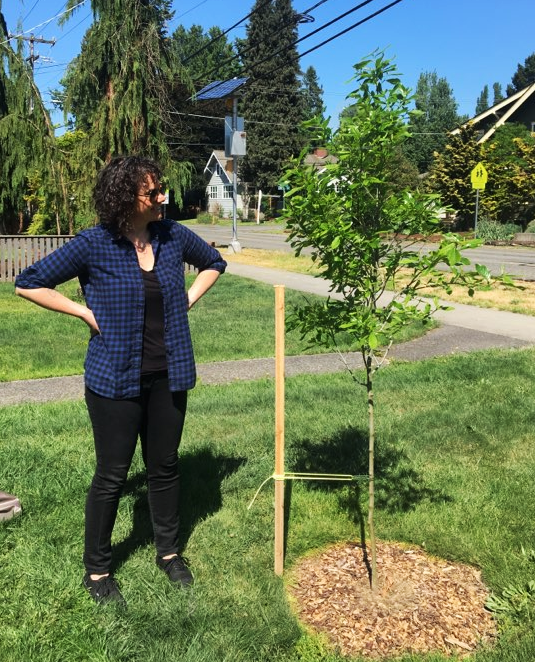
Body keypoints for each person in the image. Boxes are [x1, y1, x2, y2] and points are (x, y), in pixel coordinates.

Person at [15, 155, 226, 605]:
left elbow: (214, 261)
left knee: (164, 466)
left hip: (169, 374)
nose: (162, 198)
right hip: (113, 378)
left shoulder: (171, 236)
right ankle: (97, 569)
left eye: (161, 189)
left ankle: (168, 553)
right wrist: (84, 311)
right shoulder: (94, 244)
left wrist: (186, 300)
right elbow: (27, 282)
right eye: (153, 192)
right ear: (127, 197)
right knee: (112, 475)